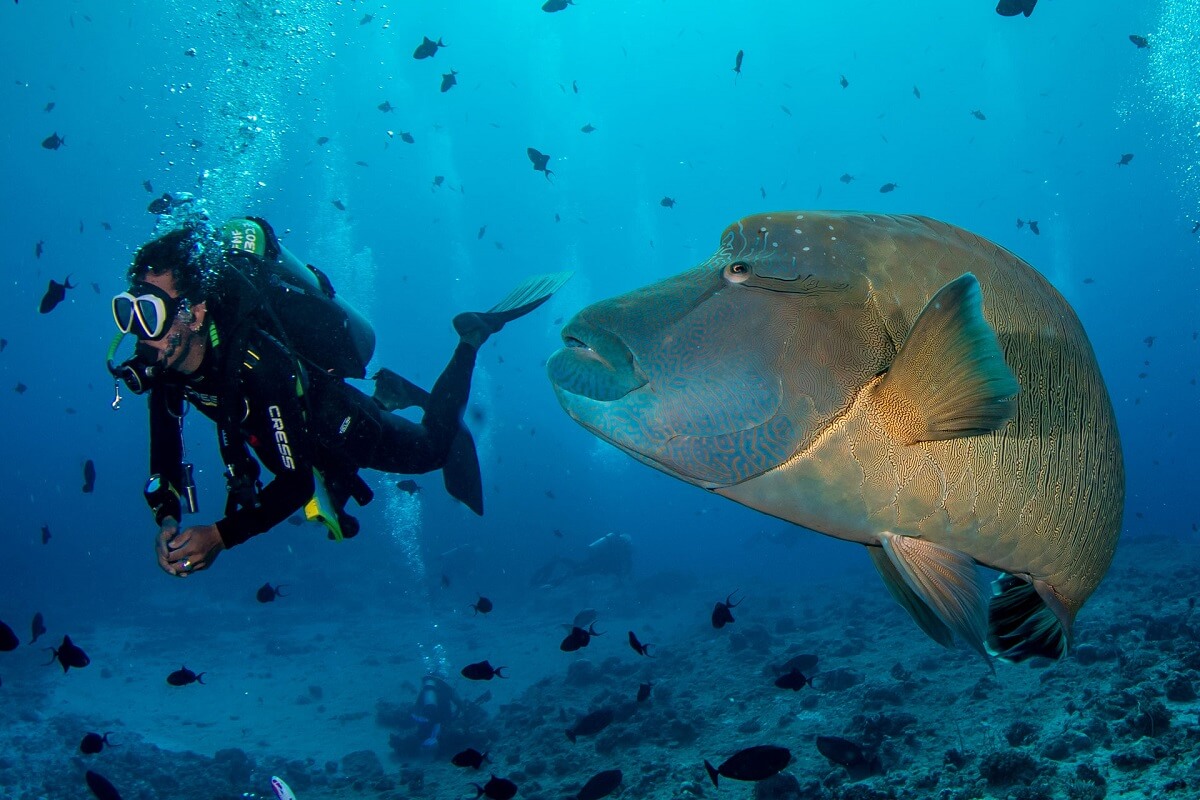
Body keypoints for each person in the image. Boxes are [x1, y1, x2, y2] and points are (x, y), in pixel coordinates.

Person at [109, 211, 568, 577]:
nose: (138, 333)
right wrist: (167, 518)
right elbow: (164, 452)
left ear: (196, 312)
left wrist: (220, 536)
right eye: (128, 312)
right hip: (280, 431)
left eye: (149, 314)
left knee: (433, 449)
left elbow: (293, 484)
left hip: (337, 424)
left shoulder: (257, 363)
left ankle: (471, 337)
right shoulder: (165, 361)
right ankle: (391, 393)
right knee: (318, 479)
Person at [410, 674, 462, 749]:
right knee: (440, 726)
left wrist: (417, 716)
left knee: (428, 727)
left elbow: (418, 704)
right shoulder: (446, 688)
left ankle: (419, 744)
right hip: (443, 715)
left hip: (428, 714)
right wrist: (459, 712)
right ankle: (437, 742)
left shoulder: (426, 689)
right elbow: (458, 702)